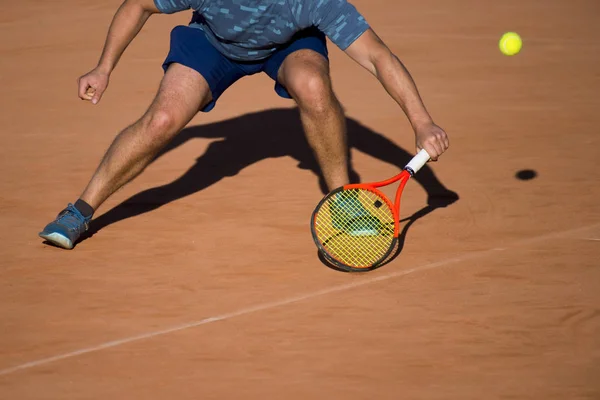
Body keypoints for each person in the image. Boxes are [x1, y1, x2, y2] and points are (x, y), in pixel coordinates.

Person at [39, 0, 450, 249]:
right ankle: (79, 211)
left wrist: (422, 122)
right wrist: (103, 67)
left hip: (288, 44)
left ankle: (341, 202)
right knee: (162, 120)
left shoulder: (314, 3)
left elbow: (377, 56)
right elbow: (138, 5)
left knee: (313, 86)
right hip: (213, 42)